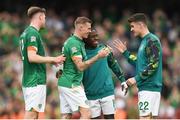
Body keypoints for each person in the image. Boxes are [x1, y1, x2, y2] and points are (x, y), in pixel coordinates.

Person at [57, 17, 110, 119]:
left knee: (66, 116)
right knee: (87, 114)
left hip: (64, 82)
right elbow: (80, 67)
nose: (89, 31)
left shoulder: (73, 41)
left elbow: (65, 61)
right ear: (80, 27)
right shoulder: (74, 43)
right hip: (71, 84)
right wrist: (98, 56)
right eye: (88, 28)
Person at [19, 6, 66, 119]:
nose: (45, 21)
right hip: (34, 80)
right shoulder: (33, 34)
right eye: (44, 18)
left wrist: (50, 62)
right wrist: (52, 59)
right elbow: (32, 57)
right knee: (31, 115)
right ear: (40, 17)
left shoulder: (26, 33)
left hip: (32, 78)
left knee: (34, 115)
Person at [113, 13, 162, 119]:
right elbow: (139, 62)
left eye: (132, 26)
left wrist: (136, 79)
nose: (131, 29)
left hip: (148, 89)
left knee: (144, 118)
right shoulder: (145, 41)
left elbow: (154, 64)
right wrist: (126, 53)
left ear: (140, 25)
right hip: (149, 88)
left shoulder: (151, 40)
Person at [82, 30, 128, 119]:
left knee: (110, 118)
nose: (97, 38)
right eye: (93, 36)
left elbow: (114, 64)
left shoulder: (104, 49)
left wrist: (122, 80)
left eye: (97, 36)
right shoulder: (81, 53)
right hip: (90, 93)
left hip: (107, 91)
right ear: (86, 38)